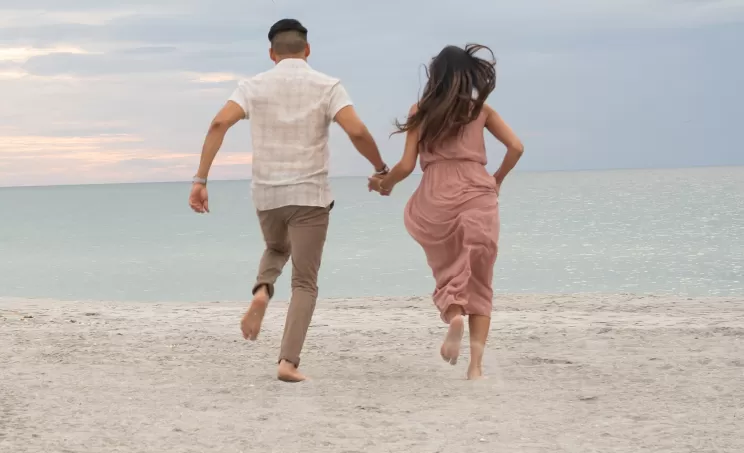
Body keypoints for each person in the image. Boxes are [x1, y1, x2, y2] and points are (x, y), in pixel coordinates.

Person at [189, 19, 388, 383]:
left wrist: (200, 180)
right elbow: (356, 130)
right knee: (305, 283)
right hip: (310, 196)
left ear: (272, 53)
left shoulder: (252, 86)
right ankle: (287, 362)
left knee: (276, 247)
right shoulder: (328, 86)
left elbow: (218, 124)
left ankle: (262, 291)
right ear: (307, 50)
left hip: (267, 195)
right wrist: (380, 167)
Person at [368, 44, 524, 380]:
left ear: (435, 76)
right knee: (481, 279)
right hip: (478, 193)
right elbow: (516, 147)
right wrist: (496, 179)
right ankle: (476, 367)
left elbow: (407, 165)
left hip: (436, 196)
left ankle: (454, 314)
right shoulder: (480, 110)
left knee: (449, 269)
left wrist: (385, 183)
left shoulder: (421, 110)